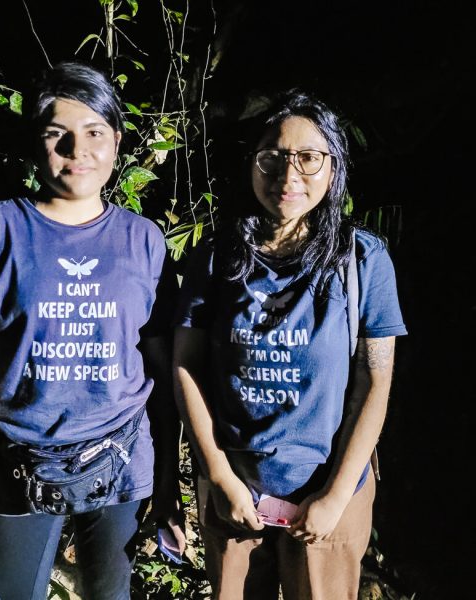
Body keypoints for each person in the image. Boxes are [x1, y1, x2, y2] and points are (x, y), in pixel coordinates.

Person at [0, 60, 183, 600]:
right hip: (15, 462)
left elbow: (163, 374)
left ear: (116, 141)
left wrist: (166, 488)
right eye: (57, 134)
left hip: (121, 464)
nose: (77, 150)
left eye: (94, 133)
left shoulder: (144, 242)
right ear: (36, 144)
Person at [172, 90, 408, 600]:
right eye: (273, 157)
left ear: (333, 167)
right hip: (236, 488)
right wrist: (217, 475)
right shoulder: (217, 256)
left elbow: (376, 378)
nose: (289, 173)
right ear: (252, 164)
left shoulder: (362, 260)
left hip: (327, 491)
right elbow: (186, 366)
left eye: (309, 158)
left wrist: (337, 494)